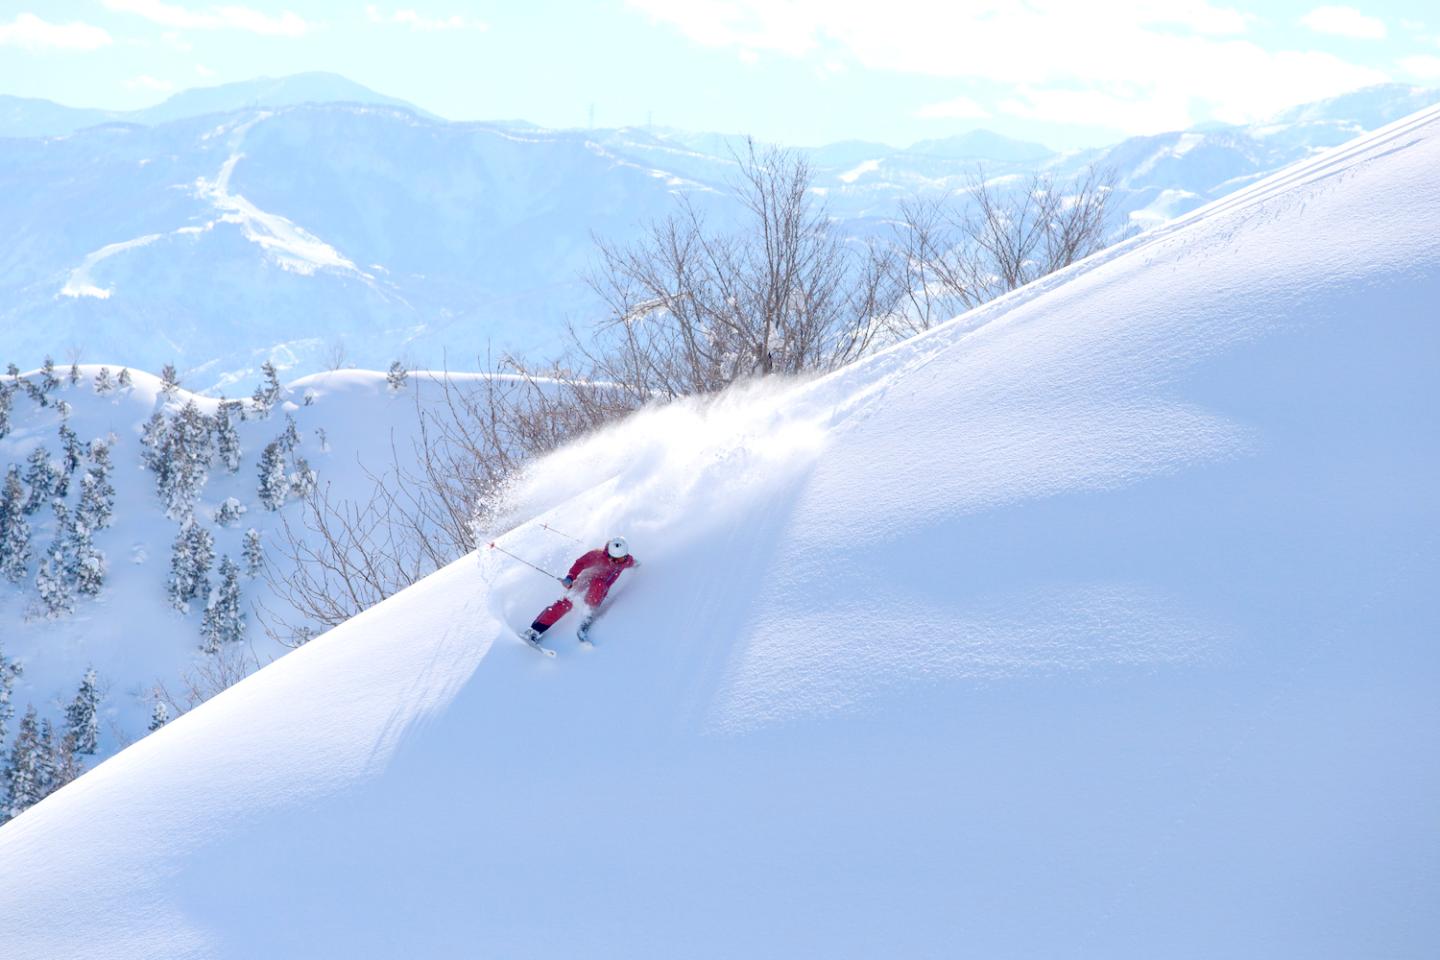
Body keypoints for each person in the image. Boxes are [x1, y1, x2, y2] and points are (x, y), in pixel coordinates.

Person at [522, 536, 638, 644]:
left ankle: (587, 615)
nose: (619, 561)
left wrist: (640, 566)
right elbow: (580, 563)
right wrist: (570, 577)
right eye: (616, 559)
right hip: (585, 580)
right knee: (566, 603)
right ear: (610, 554)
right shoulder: (597, 555)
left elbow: (633, 563)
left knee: (598, 585)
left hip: (599, 589)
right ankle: (535, 630)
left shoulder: (626, 560)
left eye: (622, 558)